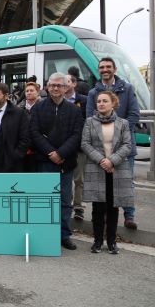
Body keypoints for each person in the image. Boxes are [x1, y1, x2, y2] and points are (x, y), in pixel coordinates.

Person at [30, 72, 84, 251]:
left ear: (66, 87)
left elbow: (77, 135)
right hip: (44, 161)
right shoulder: (38, 108)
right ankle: (45, 234)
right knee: (44, 199)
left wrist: (61, 153)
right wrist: (50, 152)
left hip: (65, 162)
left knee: (64, 200)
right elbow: (35, 133)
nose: (55, 88)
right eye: (52, 85)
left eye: (59, 85)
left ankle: (64, 235)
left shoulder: (74, 110)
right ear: (46, 86)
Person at [86, 57, 140, 230]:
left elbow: (134, 114)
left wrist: (120, 133)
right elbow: (89, 117)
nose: (105, 70)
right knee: (103, 184)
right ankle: (105, 216)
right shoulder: (93, 92)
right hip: (100, 148)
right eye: (102, 67)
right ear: (98, 70)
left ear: (115, 69)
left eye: (108, 67)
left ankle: (129, 216)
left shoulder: (127, 88)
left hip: (124, 146)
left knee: (126, 182)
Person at [81, 91, 133, 254]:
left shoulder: (123, 123)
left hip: (116, 169)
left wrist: (112, 160)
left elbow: (127, 145)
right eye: (98, 101)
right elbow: (85, 144)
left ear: (113, 103)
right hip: (97, 168)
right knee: (98, 207)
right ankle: (97, 241)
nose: (101, 104)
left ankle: (111, 242)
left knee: (113, 207)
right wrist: (102, 160)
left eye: (105, 101)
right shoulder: (89, 122)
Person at [0, 82, 30, 173]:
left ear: (6, 96)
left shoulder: (19, 114)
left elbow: (25, 139)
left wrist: (15, 156)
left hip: (11, 166)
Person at [65, 74, 88, 221]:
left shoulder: (84, 101)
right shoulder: (58, 100)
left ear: (74, 84)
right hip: (63, 147)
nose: (63, 84)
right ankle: (67, 205)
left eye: (66, 82)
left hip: (79, 146)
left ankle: (78, 207)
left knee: (79, 178)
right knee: (65, 178)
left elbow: (86, 122)